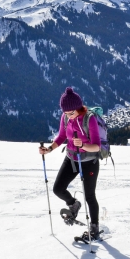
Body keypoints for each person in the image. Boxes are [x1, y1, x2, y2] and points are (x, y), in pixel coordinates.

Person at [39, 87, 101, 239]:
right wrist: (49, 149)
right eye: (65, 113)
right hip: (71, 158)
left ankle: (94, 227)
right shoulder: (66, 117)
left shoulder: (89, 119)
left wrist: (83, 145)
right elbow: (61, 137)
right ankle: (73, 204)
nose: (68, 116)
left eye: (71, 112)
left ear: (79, 108)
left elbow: (97, 145)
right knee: (58, 189)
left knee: (89, 196)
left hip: (89, 161)